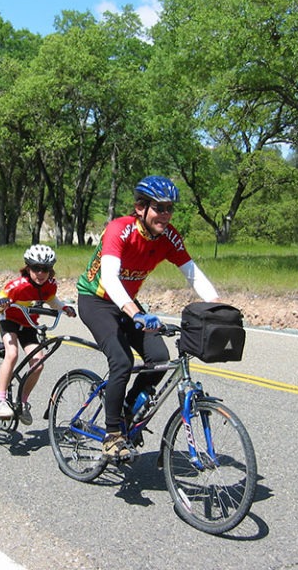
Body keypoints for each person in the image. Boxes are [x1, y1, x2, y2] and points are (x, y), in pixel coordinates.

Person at [76, 175, 219, 461]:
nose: (165, 215)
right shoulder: (120, 229)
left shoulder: (169, 237)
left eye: (170, 209)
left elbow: (192, 273)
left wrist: (217, 306)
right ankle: (112, 434)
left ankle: (128, 413)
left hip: (128, 303)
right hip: (96, 300)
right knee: (122, 361)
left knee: (158, 359)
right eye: (159, 208)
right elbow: (110, 278)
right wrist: (135, 313)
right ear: (140, 207)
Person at [0, 244, 76, 425]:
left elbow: (52, 300)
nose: (40, 273)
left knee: (38, 364)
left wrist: (64, 308)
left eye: (45, 269)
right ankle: (0, 399)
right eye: (36, 268)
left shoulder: (50, 285)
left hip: (28, 325)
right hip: (9, 322)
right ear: (28, 267)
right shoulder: (18, 285)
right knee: (12, 353)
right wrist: (3, 303)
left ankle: (21, 402)